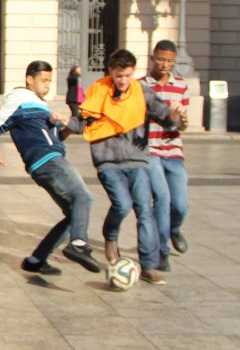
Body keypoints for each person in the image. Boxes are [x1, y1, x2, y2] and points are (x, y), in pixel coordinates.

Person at [62, 49, 184, 286]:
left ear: (133, 73)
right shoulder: (99, 91)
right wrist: (65, 123)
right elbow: (84, 121)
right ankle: (111, 237)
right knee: (122, 204)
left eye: (128, 75)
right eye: (119, 76)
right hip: (108, 161)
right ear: (111, 72)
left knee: (144, 210)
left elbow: (165, 118)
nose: (123, 81)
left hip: (137, 161)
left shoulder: (141, 92)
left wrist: (173, 114)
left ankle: (148, 266)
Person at [0, 60, 101, 276]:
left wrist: (64, 126)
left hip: (47, 159)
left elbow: (54, 138)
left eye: (50, 81)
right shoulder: (19, 99)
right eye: (43, 80)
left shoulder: (39, 105)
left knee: (73, 213)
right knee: (83, 198)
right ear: (30, 80)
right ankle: (78, 244)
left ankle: (36, 259)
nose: (47, 85)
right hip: (48, 160)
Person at [144, 40, 192, 270]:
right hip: (150, 151)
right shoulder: (141, 85)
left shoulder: (181, 86)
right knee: (161, 198)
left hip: (173, 151)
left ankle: (174, 229)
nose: (164, 65)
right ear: (153, 58)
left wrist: (182, 120)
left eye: (169, 61)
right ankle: (162, 250)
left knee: (181, 204)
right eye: (161, 59)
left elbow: (183, 125)